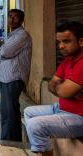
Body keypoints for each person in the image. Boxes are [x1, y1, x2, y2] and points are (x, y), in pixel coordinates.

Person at [24, 21, 83, 156]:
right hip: (62, 109)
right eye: (59, 42)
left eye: (66, 41)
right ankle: (42, 148)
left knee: (35, 125)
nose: (61, 46)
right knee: (28, 112)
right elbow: (52, 85)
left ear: (81, 41)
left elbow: (63, 91)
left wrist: (64, 89)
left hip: (79, 117)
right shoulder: (68, 60)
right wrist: (66, 90)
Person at [0, 9, 32, 142]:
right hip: (7, 77)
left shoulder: (22, 35)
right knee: (11, 111)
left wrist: (0, 51)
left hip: (13, 78)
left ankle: (7, 142)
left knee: (8, 113)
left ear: (21, 20)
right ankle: (14, 141)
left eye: (15, 17)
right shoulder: (13, 35)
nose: (11, 20)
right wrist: (1, 51)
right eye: (10, 17)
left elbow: (4, 52)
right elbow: (3, 52)